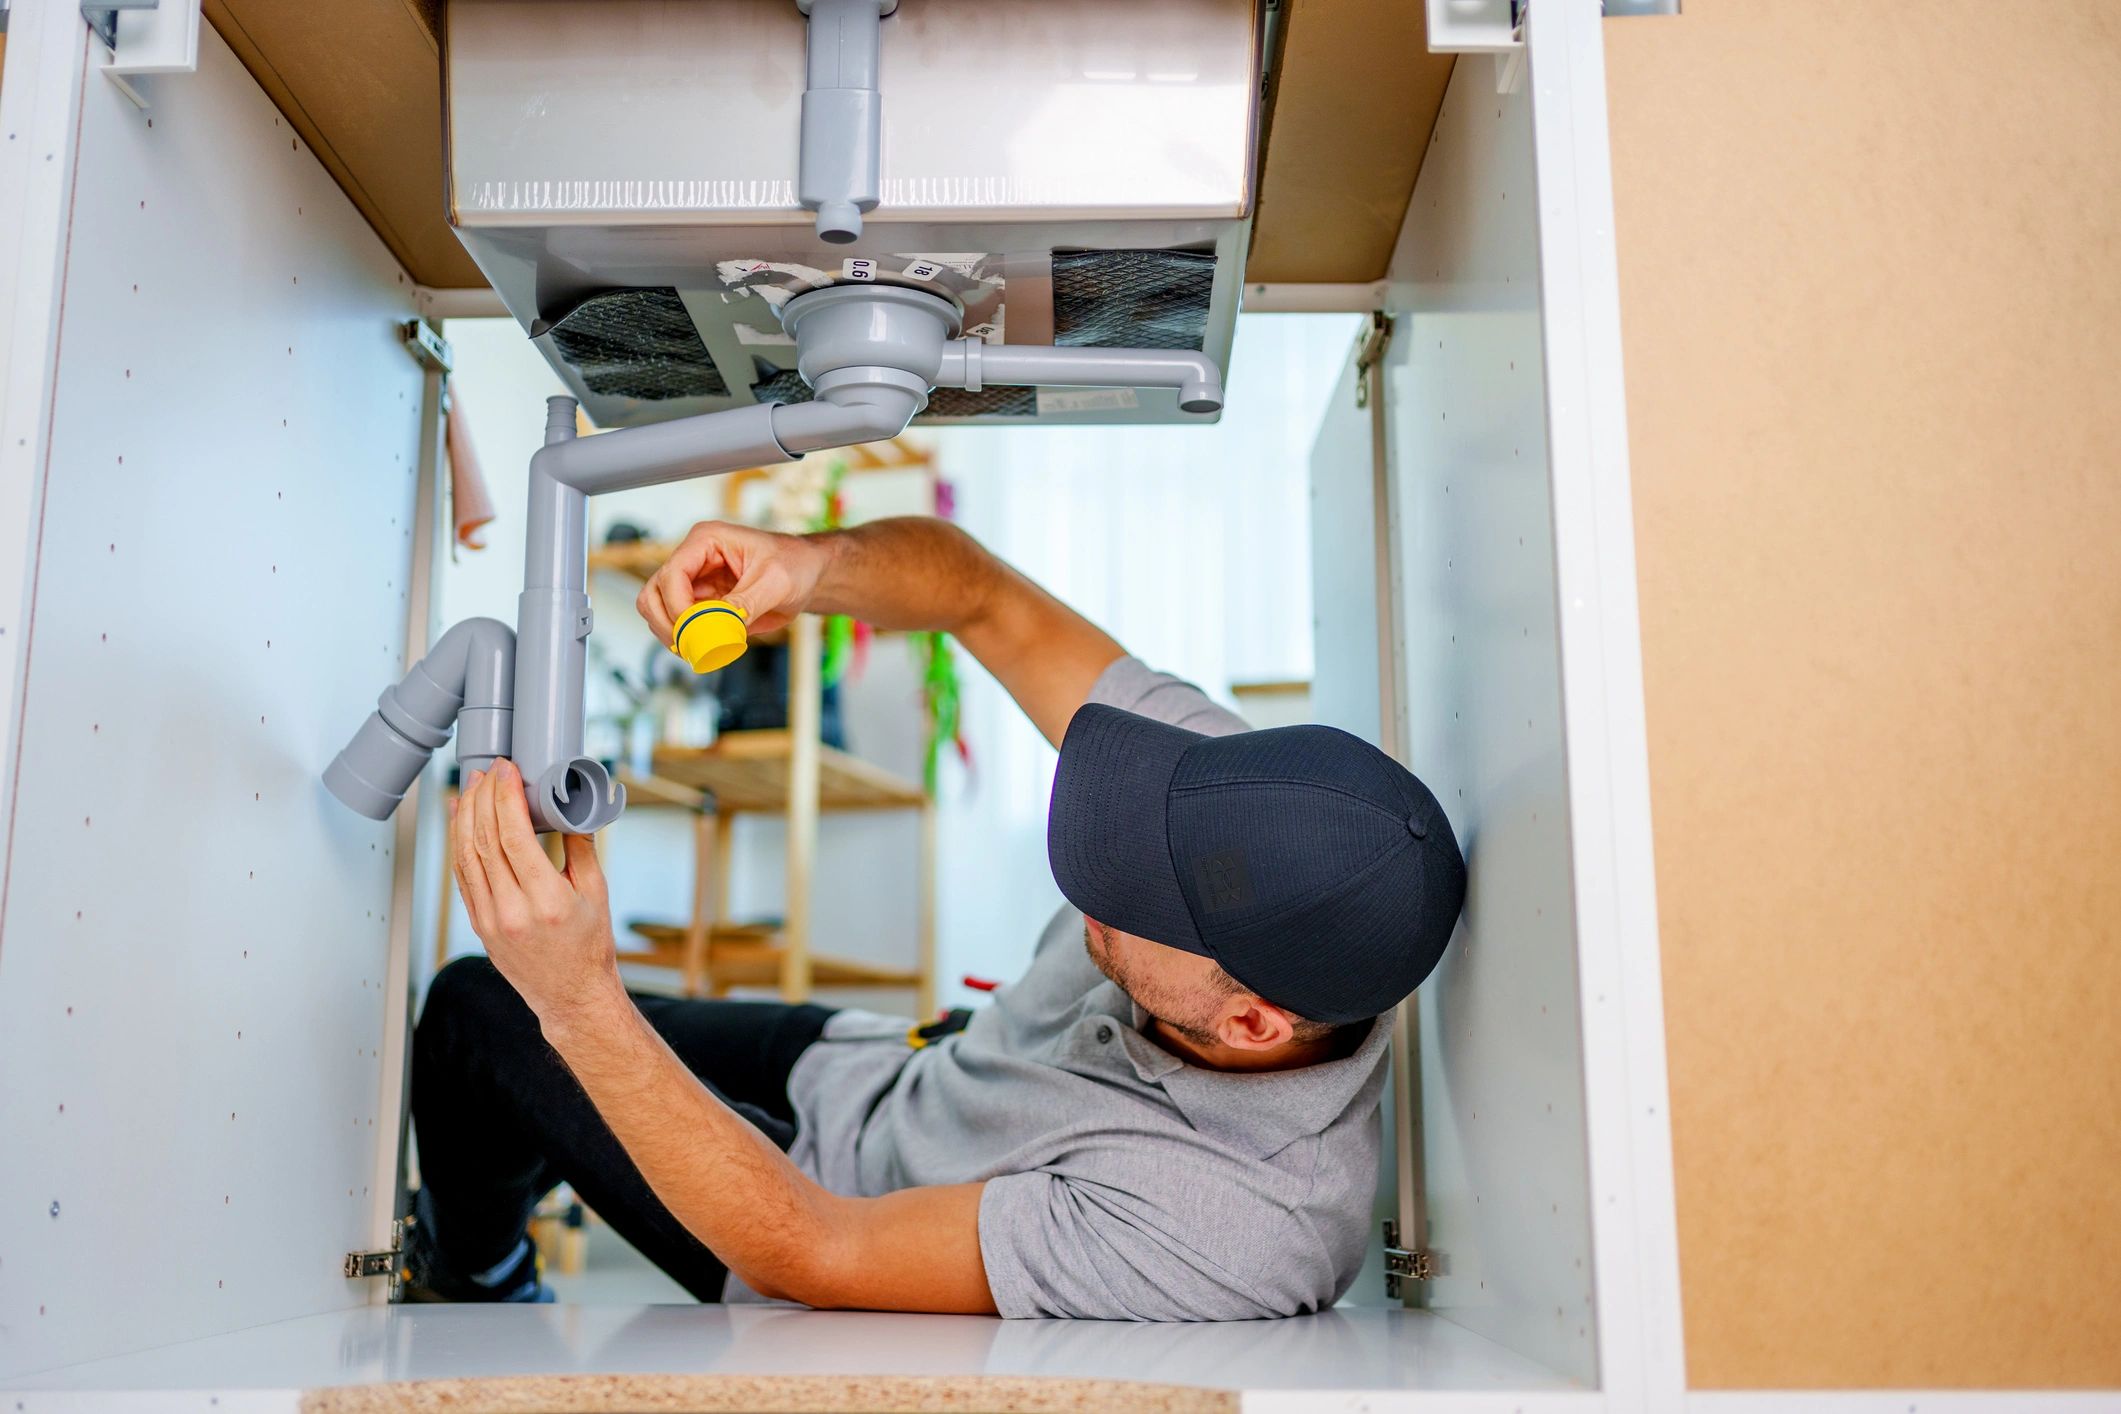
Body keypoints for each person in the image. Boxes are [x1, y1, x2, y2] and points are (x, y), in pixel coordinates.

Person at [408, 516, 1466, 1320]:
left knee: (481, 1015)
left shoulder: (1238, 1224)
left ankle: (488, 1285)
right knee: (509, 1035)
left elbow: (820, 1249)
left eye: (1139, 892)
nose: (1100, 873)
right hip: (888, 1072)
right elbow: (982, 596)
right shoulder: (1239, 793)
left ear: (1250, 1022)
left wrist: (582, 1005)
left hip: (826, 1191)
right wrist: (809, 566)